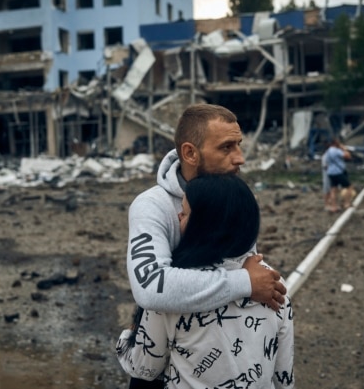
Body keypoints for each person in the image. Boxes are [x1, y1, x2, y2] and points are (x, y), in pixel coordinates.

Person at [125, 104, 286, 387]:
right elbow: (151, 287)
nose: (240, 158)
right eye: (226, 147)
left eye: (238, 144)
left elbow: (243, 264)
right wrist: (245, 283)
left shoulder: (232, 196)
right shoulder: (153, 206)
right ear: (190, 153)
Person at [117, 174, 294, 388]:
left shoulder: (175, 290)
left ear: (205, 226)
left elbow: (144, 368)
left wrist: (127, 337)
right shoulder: (272, 282)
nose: (178, 215)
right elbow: (284, 375)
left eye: (186, 212)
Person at [324, 138, 355, 210]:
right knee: (349, 187)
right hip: (338, 172)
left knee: (333, 190)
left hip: (331, 172)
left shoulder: (327, 151)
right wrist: (344, 148)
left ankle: (333, 206)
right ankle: (346, 203)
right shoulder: (336, 151)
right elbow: (348, 156)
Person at [321, 141, 334, 212]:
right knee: (326, 190)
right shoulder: (325, 156)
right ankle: (326, 205)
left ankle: (330, 204)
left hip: (331, 175)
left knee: (331, 190)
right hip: (326, 176)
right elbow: (325, 166)